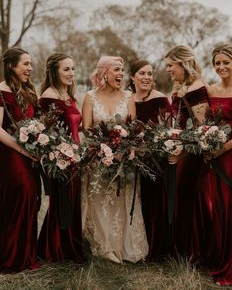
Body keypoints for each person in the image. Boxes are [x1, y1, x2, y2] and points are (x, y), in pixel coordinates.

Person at [82, 55, 148, 263]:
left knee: (120, 199)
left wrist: (124, 148)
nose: (121, 74)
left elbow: (133, 128)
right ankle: (104, 245)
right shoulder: (90, 97)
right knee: (100, 199)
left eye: (122, 70)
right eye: (116, 70)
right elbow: (86, 128)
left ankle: (121, 245)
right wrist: (102, 148)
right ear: (104, 73)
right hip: (98, 158)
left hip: (123, 159)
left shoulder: (129, 97)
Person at [191, 44, 232, 285]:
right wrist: (206, 143)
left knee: (230, 205)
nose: (221, 67)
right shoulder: (211, 89)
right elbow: (204, 120)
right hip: (213, 155)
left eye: (226, 62)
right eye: (217, 63)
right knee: (210, 201)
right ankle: (215, 255)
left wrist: (222, 149)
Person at [38, 53, 85, 263]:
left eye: (73, 69)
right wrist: (61, 155)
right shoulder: (49, 96)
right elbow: (47, 132)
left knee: (72, 202)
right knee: (61, 203)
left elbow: (74, 125)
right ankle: (54, 250)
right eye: (66, 69)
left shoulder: (69, 95)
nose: (71, 73)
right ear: (54, 71)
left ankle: (70, 246)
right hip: (60, 159)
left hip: (75, 157)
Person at [164, 45, 209, 257]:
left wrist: (182, 149)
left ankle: (190, 251)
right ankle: (178, 248)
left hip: (191, 153)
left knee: (185, 195)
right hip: (179, 147)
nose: (168, 70)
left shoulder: (197, 88)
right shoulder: (181, 85)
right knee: (177, 195)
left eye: (170, 65)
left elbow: (202, 127)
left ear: (183, 64)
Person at [0, 47, 40, 272]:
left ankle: (26, 255)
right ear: (11, 66)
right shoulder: (1, 91)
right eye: (25, 64)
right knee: (21, 193)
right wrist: (23, 151)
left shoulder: (28, 91)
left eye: (31, 64)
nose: (30, 68)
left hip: (30, 154)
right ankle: (10, 257)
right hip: (9, 154)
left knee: (31, 196)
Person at [128, 59, 171, 261]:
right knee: (138, 200)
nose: (146, 77)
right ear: (132, 77)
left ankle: (158, 248)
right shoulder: (129, 99)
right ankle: (138, 245)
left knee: (154, 201)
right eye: (142, 73)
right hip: (134, 158)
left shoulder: (160, 99)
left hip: (157, 160)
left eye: (149, 74)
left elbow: (169, 130)